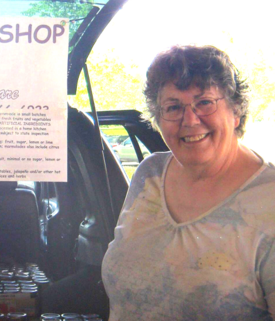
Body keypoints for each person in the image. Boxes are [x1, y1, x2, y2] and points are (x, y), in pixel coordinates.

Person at [102, 45, 275, 320]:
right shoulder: (150, 176)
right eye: (173, 107)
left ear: (235, 112)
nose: (190, 119)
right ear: (158, 120)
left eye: (204, 102)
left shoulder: (269, 201)